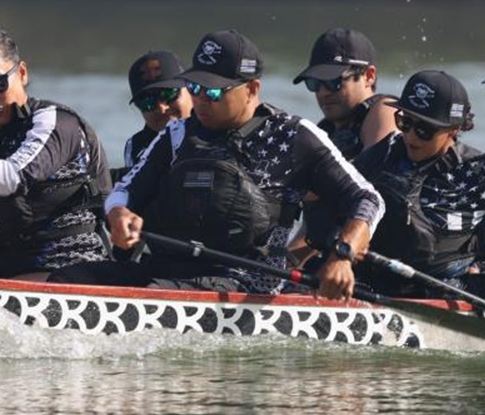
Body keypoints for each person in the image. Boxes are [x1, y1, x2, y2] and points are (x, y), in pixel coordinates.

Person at [50, 30, 384, 299]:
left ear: (252, 89)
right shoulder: (179, 133)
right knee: (66, 279)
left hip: (244, 285)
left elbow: (368, 200)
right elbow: (123, 191)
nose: (198, 99)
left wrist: (342, 255)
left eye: (213, 92)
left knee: (152, 295)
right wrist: (119, 214)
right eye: (194, 87)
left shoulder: (294, 136)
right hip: (165, 272)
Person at [346, 70, 485, 335]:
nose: (411, 137)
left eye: (425, 130)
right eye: (405, 121)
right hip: (375, 284)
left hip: (448, 293)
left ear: (454, 130)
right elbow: (338, 192)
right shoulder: (386, 151)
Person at [0, 25, 112, 280]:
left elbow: (13, 178)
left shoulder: (56, 121)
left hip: (67, 266)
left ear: (22, 73)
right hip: (1, 265)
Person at [292, 28, 396, 159]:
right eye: (315, 83)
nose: (323, 92)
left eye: (333, 81)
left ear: (369, 76)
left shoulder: (385, 111)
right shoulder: (325, 130)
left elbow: (373, 170)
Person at [117, 51, 192, 179]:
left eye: (169, 94)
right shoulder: (135, 147)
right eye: (148, 103)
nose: (161, 108)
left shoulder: (220, 136)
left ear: (191, 90)